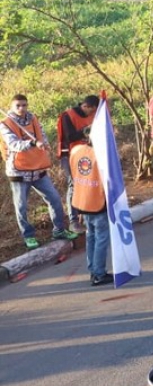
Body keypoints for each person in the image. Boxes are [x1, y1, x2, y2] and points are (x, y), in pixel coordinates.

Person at [2, 94, 78, 250]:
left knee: (54, 199)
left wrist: (44, 143)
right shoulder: (5, 124)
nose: (21, 108)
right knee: (21, 206)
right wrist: (32, 143)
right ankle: (28, 236)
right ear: (12, 106)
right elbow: (13, 144)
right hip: (18, 172)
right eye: (18, 106)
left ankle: (59, 230)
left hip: (38, 169)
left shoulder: (34, 119)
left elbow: (42, 136)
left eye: (24, 105)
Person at [69, 133, 112, 286]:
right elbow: (109, 183)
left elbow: (74, 175)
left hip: (82, 201)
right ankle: (99, 273)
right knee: (101, 238)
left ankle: (93, 270)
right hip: (97, 202)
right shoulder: (102, 156)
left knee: (91, 237)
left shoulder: (77, 151)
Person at [56, 94, 98, 224]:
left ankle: (86, 213)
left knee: (87, 183)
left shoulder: (92, 114)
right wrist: (86, 130)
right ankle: (73, 219)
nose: (92, 114)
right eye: (91, 111)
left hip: (86, 155)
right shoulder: (68, 116)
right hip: (70, 155)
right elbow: (70, 137)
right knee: (74, 184)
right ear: (85, 106)